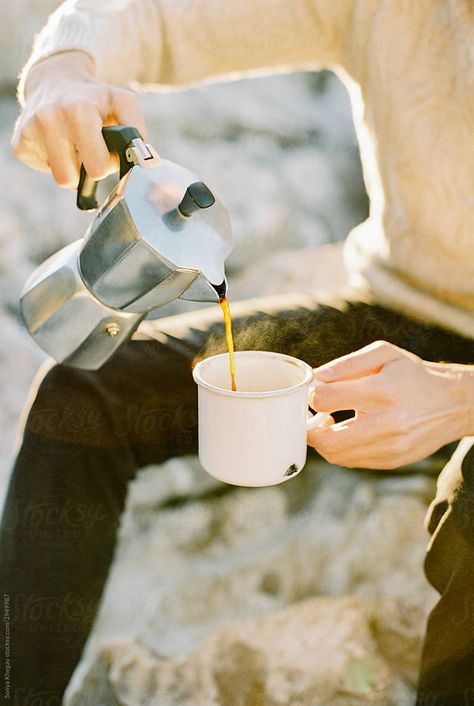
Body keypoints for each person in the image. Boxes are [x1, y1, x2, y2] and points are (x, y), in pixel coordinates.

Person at [1, 0, 473, 703]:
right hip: (402, 316)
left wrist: (461, 398)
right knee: (88, 393)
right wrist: (64, 73)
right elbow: (155, 18)